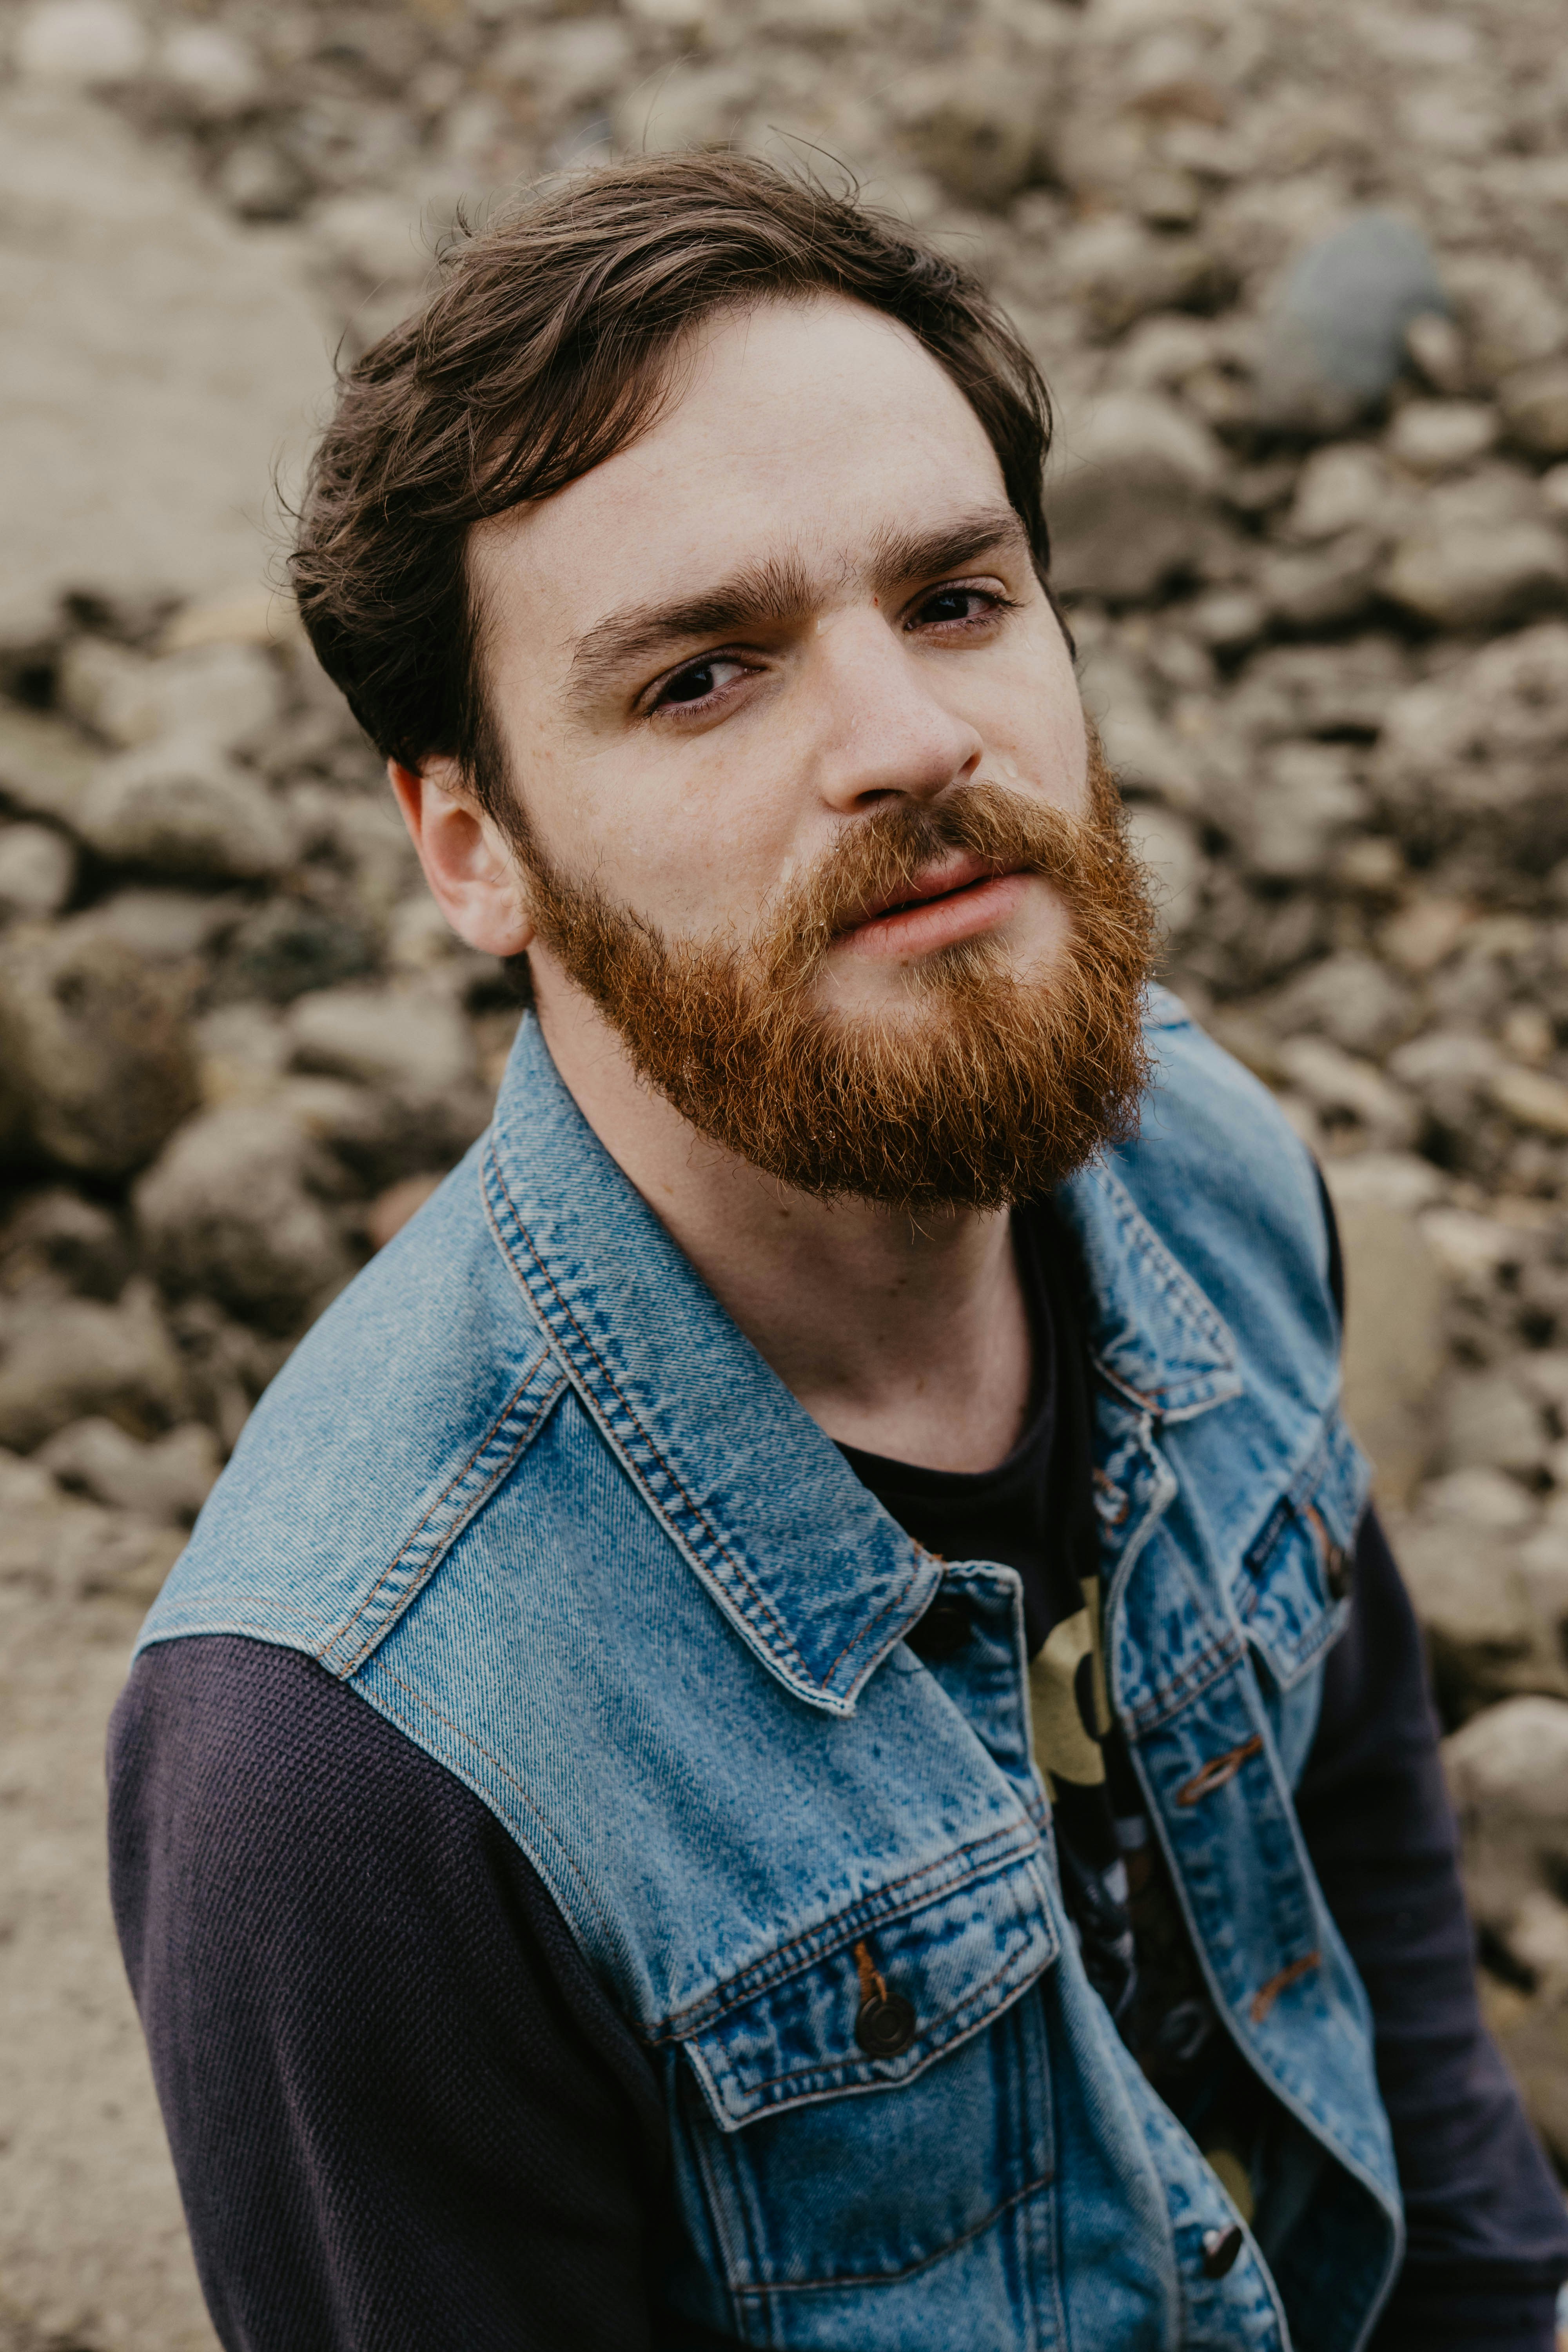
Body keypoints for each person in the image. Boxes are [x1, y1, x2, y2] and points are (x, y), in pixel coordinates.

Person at [108, 154, 1568, 2352]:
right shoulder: (349, 1768)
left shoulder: (1210, 1164)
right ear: (471, 844)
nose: (909, 740)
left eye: (960, 599)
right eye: (704, 676)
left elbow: (1355, 1817)